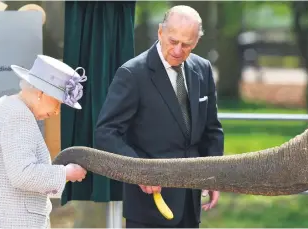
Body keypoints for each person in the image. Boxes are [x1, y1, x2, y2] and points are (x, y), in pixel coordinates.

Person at [94, 5, 224, 228]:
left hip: (191, 206)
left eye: (187, 45)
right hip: (148, 208)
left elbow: (212, 129)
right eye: (173, 41)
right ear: (160, 32)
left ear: (196, 42)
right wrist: (140, 171)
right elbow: (106, 133)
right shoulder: (132, 73)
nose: (178, 50)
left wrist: (215, 177)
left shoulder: (202, 69)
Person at [0, 55, 88, 228]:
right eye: (57, 102)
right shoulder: (19, 115)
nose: (57, 111)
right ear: (41, 93)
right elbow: (23, 174)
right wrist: (66, 173)